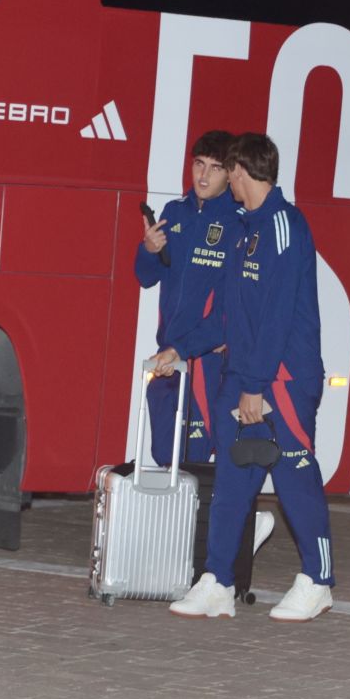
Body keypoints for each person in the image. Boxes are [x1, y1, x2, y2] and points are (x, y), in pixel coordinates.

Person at [165, 133, 334, 623]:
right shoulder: (244, 229)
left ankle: (319, 580)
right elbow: (230, 316)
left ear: (239, 171)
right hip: (245, 375)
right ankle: (218, 580)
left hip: (281, 378)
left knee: (294, 478)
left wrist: (257, 384)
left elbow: (277, 317)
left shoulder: (285, 226)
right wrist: (181, 348)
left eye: (226, 171)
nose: (222, 180)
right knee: (232, 483)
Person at [135, 129, 239, 466]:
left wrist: (187, 347)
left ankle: (219, 519)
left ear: (230, 174)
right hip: (169, 357)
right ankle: (177, 519)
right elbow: (146, 277)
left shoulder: (238, 224)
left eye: (215, 168)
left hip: (205, 360)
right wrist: (149, 250)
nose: (203, 176)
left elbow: (230, 310)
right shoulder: (174, 210)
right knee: (165, 455)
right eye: (198, 164)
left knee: (196, 461)